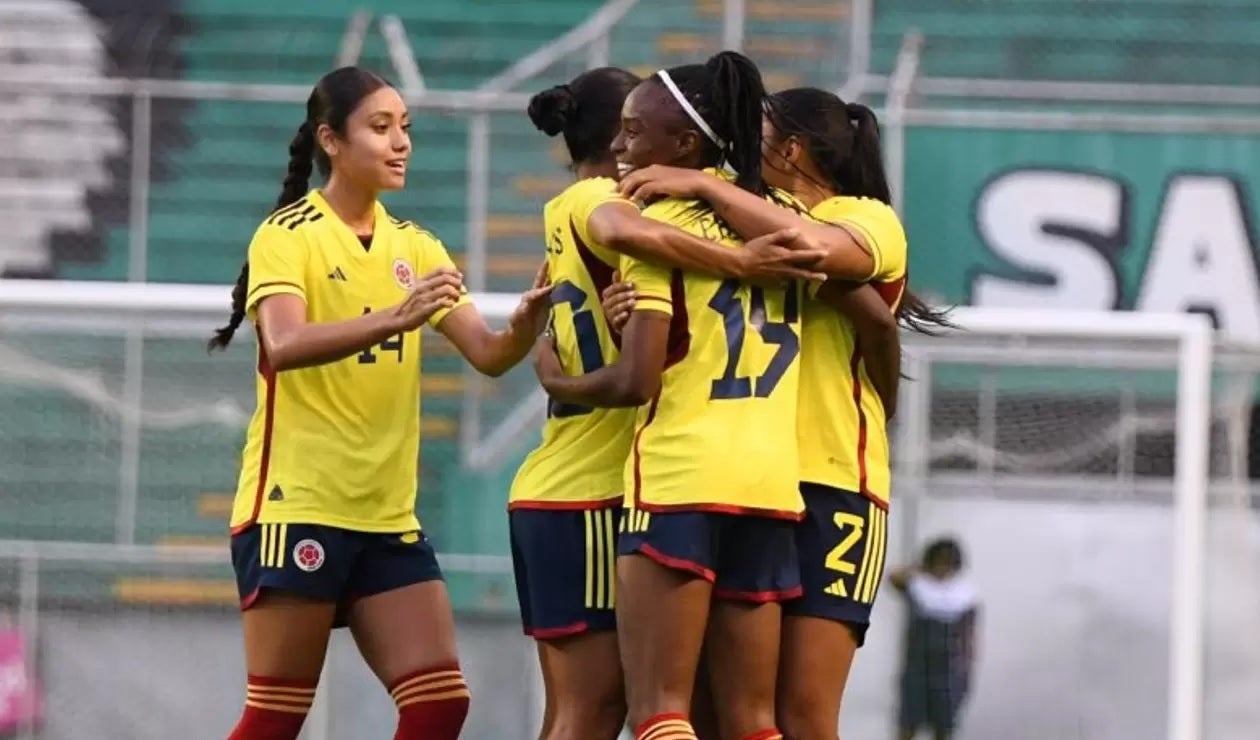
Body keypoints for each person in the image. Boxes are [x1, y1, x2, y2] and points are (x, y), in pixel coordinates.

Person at [207, 66, 552, 740]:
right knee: (276, 719)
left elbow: (487, 355)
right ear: (331, 141)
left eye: (406, 129)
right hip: (297, 504)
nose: (401, 144)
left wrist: (527, 322)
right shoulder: (288, 234)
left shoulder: (415, 246)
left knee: (439, 703)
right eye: (381, 127)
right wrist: (394, 319)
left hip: (385, 515)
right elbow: (283, 343)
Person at [608, 87, 952, 739]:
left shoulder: (864, 216)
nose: (744, 148)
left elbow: (827, 262)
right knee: (724, 711)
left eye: (760, 135)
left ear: (791, 149)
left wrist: (703, 187)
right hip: (751, 483)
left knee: (803, 714)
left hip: (833, 484)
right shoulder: (746, 219)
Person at [512, 66, 826, 740]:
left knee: (658, 713)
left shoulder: (655, 224)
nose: (624, 148)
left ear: (684, 145)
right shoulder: (791, 227)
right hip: (769, 487)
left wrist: (559, 375)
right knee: (752, 721)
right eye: (619, 129)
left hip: (677, 481)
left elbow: (639, 377)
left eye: (637, 130)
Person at [888, 539, 979, 740]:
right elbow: (894, 577)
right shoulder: (919, 587)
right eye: (939, 562)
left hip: (948, 671)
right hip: (917, 668)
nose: (943, 568)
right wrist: (919, 567)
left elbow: (969, 637)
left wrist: (967, 670)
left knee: (943, 729)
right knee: (908, 726)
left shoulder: (964, 594)